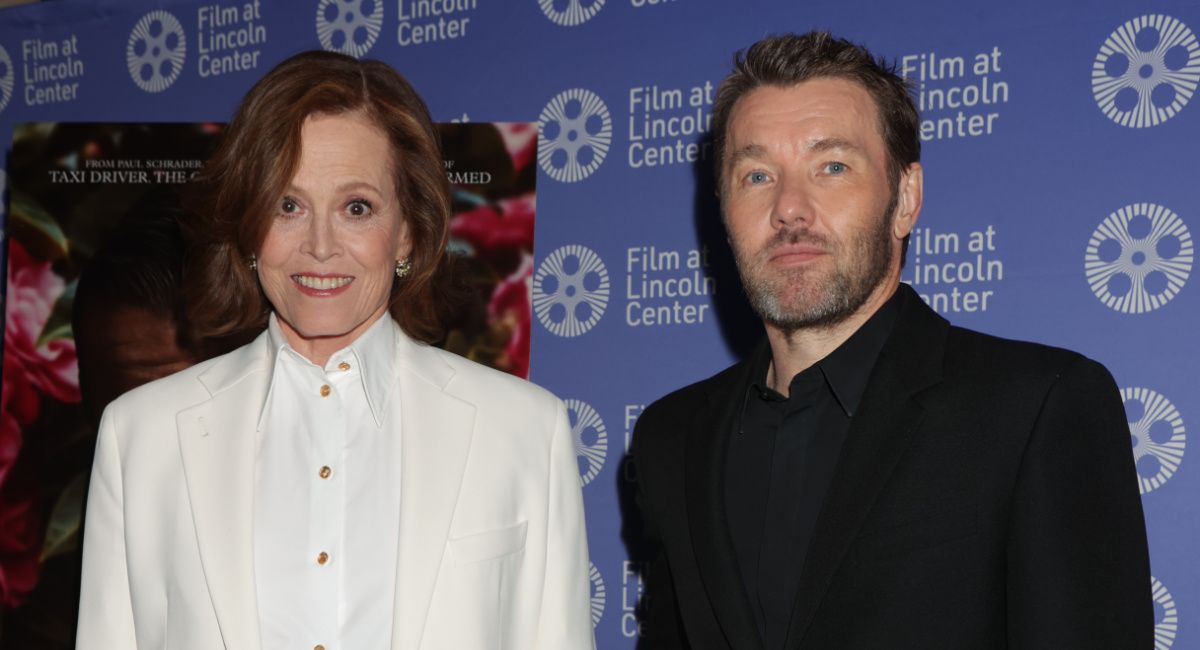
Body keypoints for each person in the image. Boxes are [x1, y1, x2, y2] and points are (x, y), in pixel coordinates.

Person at [631, 32, 1152, 649]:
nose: (790, 208)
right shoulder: (671, 437)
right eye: (757, 174)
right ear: (723, 209)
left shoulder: (1037, 408)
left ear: (905, 199)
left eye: (832, 167)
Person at [76, 50, 594, 650]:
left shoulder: (525, 430)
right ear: (247, 226)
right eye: (287, 205)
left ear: (408, 229)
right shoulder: (141, 435)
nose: (319, 247)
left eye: (356, 208)